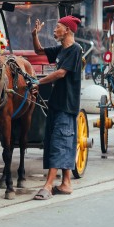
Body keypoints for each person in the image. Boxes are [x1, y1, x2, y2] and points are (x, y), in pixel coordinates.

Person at [30, 15, 83, 200]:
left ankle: (48, 185)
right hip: (56, 103)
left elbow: (61, 73)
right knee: (58, 142)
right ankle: (66, 183)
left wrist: (39, 81)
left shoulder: (75, 50)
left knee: (59, 143)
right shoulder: (60, 49)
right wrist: (34, 34)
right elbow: (38, 51)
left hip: (67, 105)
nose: (54, 30)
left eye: (57, 27)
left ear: (67, 30)